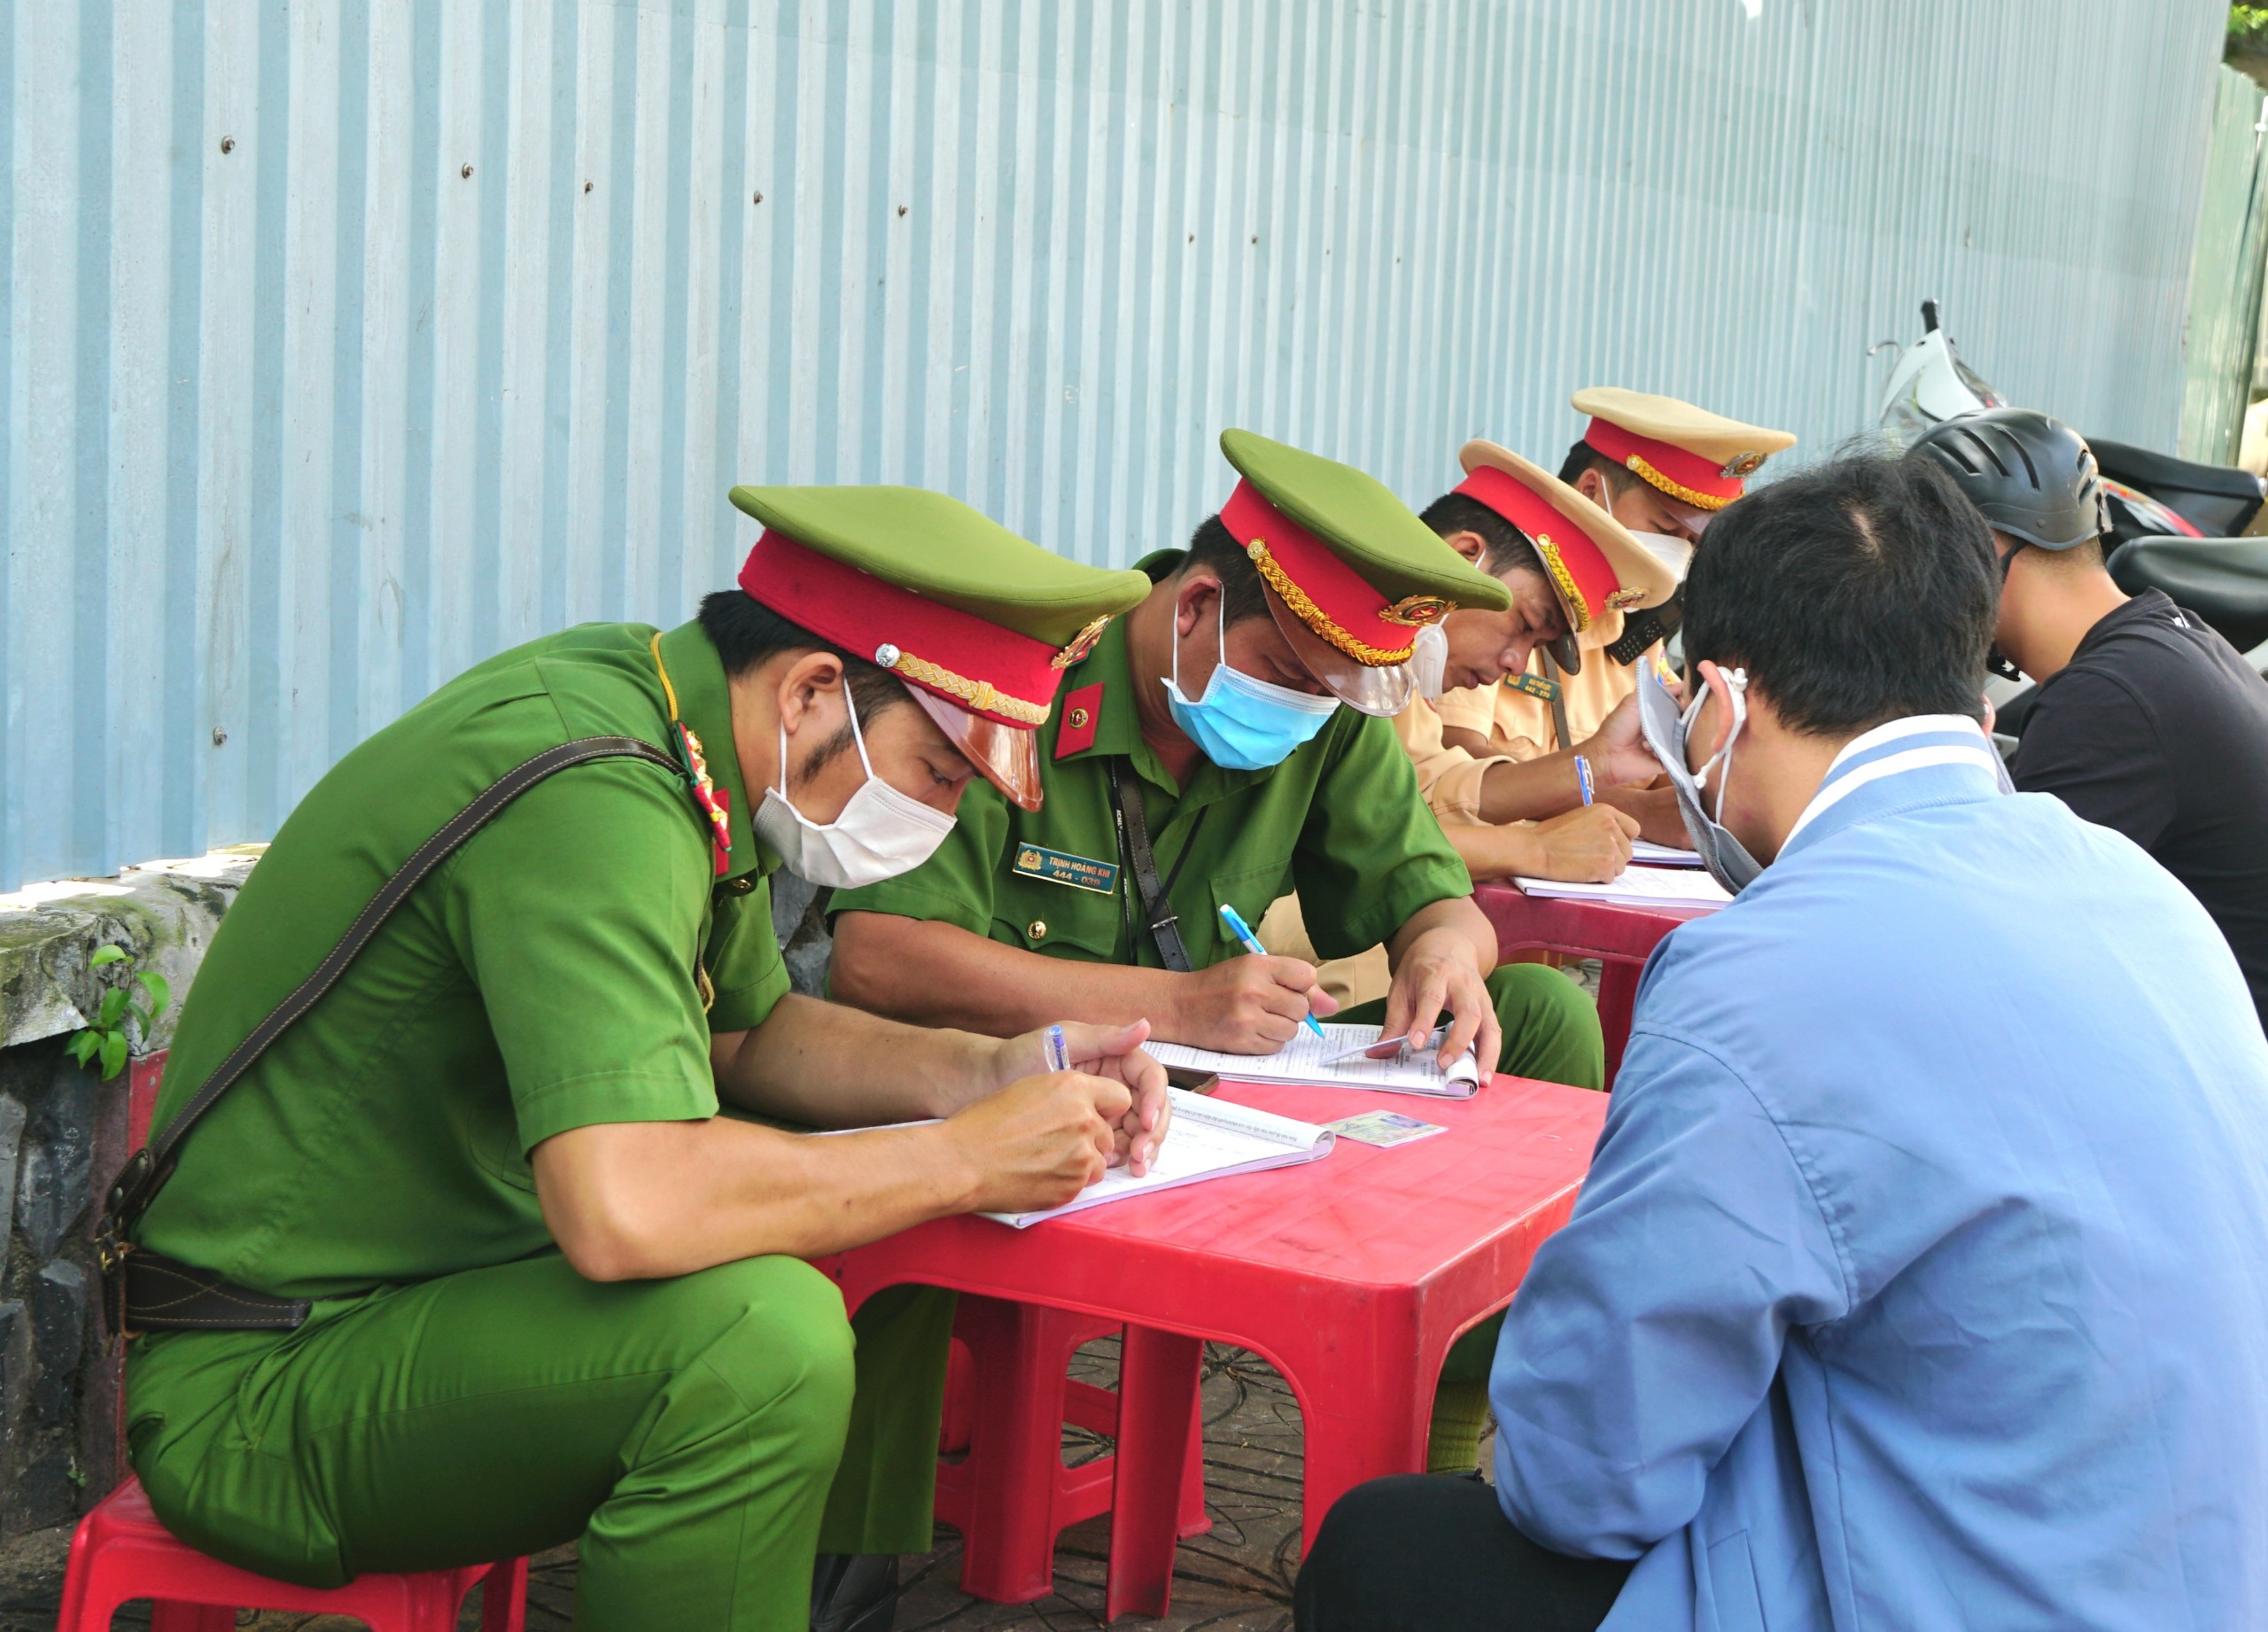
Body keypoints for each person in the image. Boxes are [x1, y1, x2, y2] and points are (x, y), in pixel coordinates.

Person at [119, 484, 1165, 1632]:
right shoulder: (597, 795)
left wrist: (999, 1070)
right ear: (815, 689)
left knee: (796, 1243)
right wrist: (964, 1158)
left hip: (419, 1298)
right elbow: (626, 1205)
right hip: (263, 1387)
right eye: (942, 770)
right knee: (759, 1341)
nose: (946, 811)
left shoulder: (677, 726)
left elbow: (753, 1037)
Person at [1294, 452, 2268, 1632]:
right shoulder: (2140, 894)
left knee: (1385, 1550)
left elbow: (1584, 1473)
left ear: (1716, 699)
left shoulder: (1764, 971)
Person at [827, 429, 1606, 1480]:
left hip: (1212, 1094)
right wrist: (1179, 1002)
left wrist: (1443, 953)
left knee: (1539, 1016)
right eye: (1286, 673)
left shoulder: (1321, 710)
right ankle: (854, 1575)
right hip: (990, 1084)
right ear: (1194, 606)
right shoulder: (1031, 671)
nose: (1298, 711)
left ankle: (1453, 1409)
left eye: (1327, 691)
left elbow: (1434, 892)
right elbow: (877, 958)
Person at [1263, 440, 1678, 1008]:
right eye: (1525, 626)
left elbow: (1434, 791)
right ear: (1466, 555)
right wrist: (1532, 848)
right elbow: (1377, 851)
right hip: (1253, 937)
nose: (1516, 663)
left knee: (1547, 1003)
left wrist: (1596, 764)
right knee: (1372, 939)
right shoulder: (1344, 644)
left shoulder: (1404, 665)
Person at [1910, 407, 2268, 1028]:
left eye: (1918, 565)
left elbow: (1984, 936)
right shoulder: (2170, 640)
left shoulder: (2108, 699)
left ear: (1983, 549)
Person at [1435, 391, 1794, 843]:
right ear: (1590, 491)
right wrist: (1635, 810)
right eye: (1666, 531)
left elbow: (1664, 771)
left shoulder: (1640, 632)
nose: (1679, 554)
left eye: (1693, 542)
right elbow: (1450, 768)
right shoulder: (1500, 597)